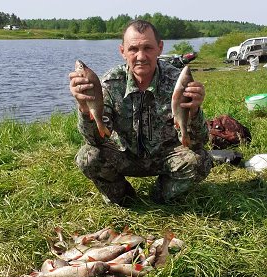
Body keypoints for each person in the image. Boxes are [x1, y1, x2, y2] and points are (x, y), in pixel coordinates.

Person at [69, 20, 213, 206]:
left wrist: (194, 112)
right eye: (133, 49)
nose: (141, 56)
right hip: (123, 156)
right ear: (122, 51)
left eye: (148, 48)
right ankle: (124, 196)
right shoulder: (110, 83)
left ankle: (160, 194)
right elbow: (95, 140)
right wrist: (83, 107)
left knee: (201, 160)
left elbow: (199, 142)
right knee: (88, 157)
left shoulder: (178, 82)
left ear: (160, 48)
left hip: (165, 157)